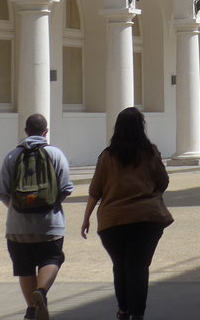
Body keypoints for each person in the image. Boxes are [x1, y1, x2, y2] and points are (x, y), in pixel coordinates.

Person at [80, 107, 172, 320]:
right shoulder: (150, 152)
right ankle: (138, 313)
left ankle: (123, 309)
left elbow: (95, 191)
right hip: (146, 218)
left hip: (113, 220)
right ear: (141, 127)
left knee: (120, 266)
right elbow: (163, 182)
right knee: (139, 267)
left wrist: (86, 218)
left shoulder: (107, 156)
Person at [0, 113, 74, 320]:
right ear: (45, 132)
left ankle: (31, 308)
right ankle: (42, 292)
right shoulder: (55, 154)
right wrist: (50, 205)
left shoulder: (12, 155)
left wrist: (18, 207)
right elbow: (66, 188)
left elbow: (1, 192)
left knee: (24, 266)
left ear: (26, 131)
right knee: (53, 257)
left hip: (17, 226)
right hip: (49, 224)